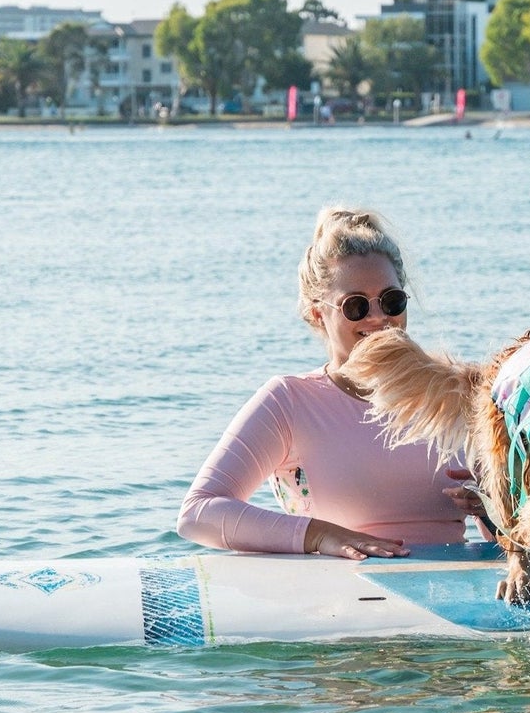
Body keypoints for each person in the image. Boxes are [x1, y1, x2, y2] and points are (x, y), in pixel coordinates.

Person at [177, 207, 477, 560]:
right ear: (318, 313)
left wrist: (493, 509)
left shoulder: (456, 393)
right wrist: (321, 536)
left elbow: (509, 537)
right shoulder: (289, 402)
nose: (378, 317)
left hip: (456, 586)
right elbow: (198, 514)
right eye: (356, 306)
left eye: (391, 300)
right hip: (340, 588)